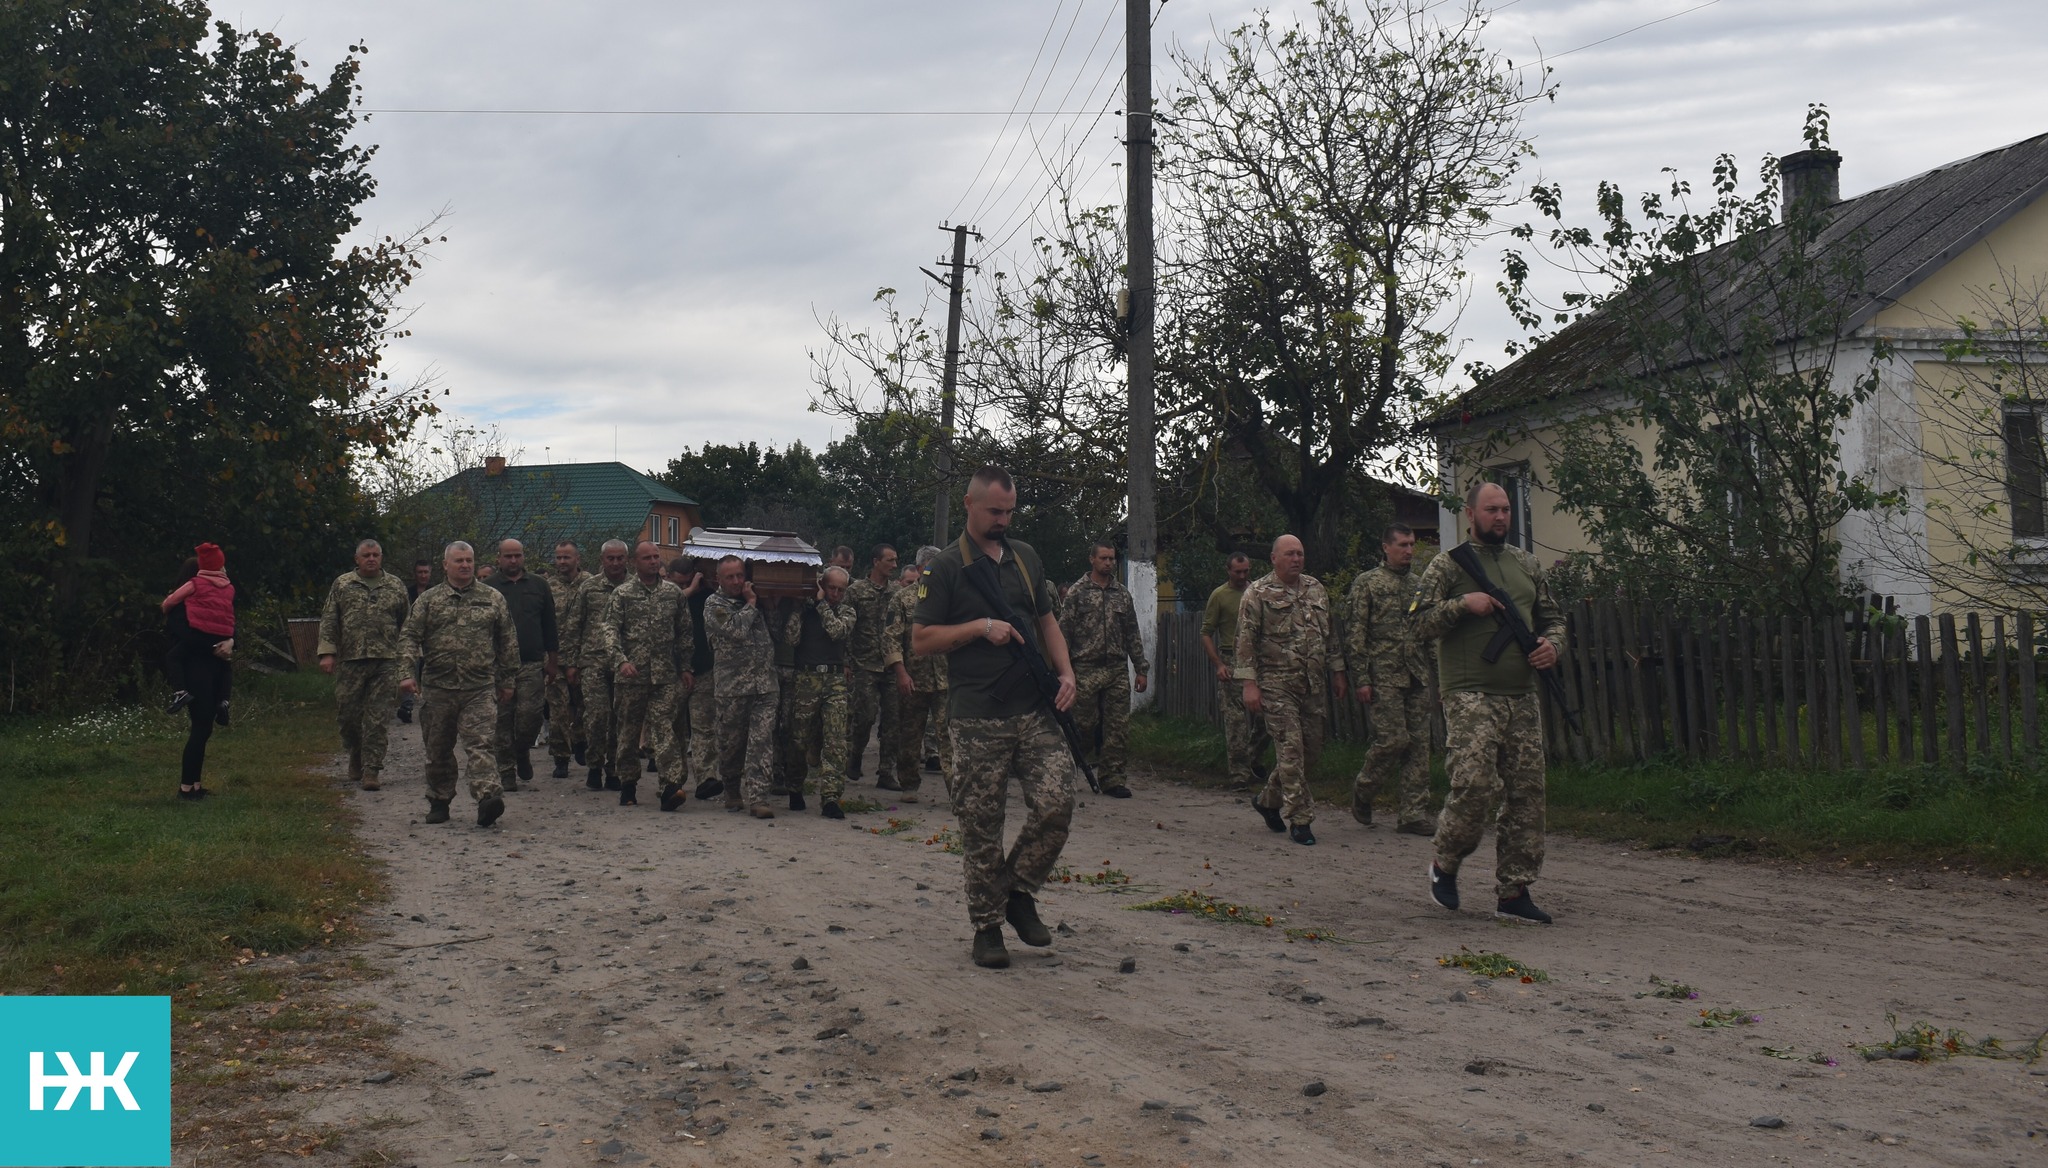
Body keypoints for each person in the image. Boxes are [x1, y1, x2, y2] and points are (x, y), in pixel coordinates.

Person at [913, 465, 1077, 970]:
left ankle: (1019, 893)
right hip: (976, 717)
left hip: (1032, 707)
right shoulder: (942, 568)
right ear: (969, 505)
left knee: (1057, 802)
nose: (1003, 520)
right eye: (994, 511)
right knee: (982, 827)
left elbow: (1047, 620)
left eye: (1009, 511)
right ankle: (986, 926)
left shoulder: (1025, 558)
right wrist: (979, 627)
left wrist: (1066, 673)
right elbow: (921, 642)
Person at [1411, 481, 1566, 925]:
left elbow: (1554, 619)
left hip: (1521, 694)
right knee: (1475, 785)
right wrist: (1462, 604)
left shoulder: (1527, 564)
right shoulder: (1447, 565)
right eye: (1491, 510)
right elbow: (1417, 624)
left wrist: (1553, 646)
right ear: (1471, 515)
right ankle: (1445, 862)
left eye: (1505, 510)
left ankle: (1514, 891)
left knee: (1527, 794)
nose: (1500, 517)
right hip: (1469, 692)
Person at [1235, 534, 1347, 847]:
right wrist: (1249, 684)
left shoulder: (1316, 589)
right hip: (1275, 684)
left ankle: (1269, 799)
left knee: (1310, 752)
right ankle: (1300, 818)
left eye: (1300, 553)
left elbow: (1331, 636)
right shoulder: (1256, 593)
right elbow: (1245, 641)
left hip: (1311, 684)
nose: (1296, 559)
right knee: (1291, 749)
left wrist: (1338, 671)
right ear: (1273, 558)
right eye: (1289, 554)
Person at [399, 541, 518, 827]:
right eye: (459, 561)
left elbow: (507, 641)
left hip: (478, 688)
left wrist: (507, 679)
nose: (465, 565)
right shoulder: (429, 600)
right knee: (438, 749)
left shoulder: (493, 598)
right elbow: (409, 637)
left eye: (469, 560)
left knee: (481, 744)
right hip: (439, 688)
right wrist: (405, 673)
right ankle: (439, 800)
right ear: (445, 565)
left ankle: (487, 798)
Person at [1347, 523, 1437, 833]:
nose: (1409, 550)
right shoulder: (1367, 583)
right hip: (1383, 675)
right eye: (1402, 545)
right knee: (1393, 741)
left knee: (1419, 746)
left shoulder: (1419, 585)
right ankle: (1364, 789)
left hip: (1417, 674)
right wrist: (1361, 677)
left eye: (1412, 545)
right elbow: (1356, 634)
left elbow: (1428, 631)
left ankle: (1413, 813)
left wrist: (1439, 674)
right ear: (1386, 547)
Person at [316, 539, 412, 791]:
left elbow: (407, 624)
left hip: (386, 661)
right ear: (357, 559)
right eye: (366, 555)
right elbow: (329, 619)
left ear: (382, 558)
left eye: (376, 555)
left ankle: (372, 769)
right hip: (351, 659)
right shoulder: (343, 584)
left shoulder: (395, 585)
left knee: (378, 717)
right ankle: (355, 753)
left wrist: (408, 660)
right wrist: (327, 652)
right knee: (348, 715)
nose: (372, 559)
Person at [1057, 540, 1148, 799]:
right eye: (1104, 558)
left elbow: (1132, 633)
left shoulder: (1122, 594)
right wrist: (1064, 672)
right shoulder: (1077, 593)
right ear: (1092, 560)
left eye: (1112, 559)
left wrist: (1141, 668)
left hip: (1116, 669)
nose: (1109, 563)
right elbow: (1063, 634)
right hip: (1084, 668)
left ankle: (1113, 779)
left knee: (1117, 727)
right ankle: (1065, 770)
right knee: (1082, 726)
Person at [605, 541, 693, 810]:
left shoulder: (673, 594)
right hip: (632, 676)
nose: (654, 562)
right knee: (628, 734)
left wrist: (686, 667)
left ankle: (670, 786)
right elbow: (609, 631)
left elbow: (685, 632)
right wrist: (620, 661)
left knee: (663, 727)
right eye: (648, 558)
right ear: (635, 561)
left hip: (665, 676)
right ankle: (628, 784)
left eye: (657, 557)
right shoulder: (622, 594)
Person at [704, 556, 779, 817]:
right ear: (719, 579)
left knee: (761, 743)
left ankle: (759, 797)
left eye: (739, 575)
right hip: (732, 688)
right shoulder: (714, 604)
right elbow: (735, 630)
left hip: (765, 686)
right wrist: (751, 604)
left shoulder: (755, 600)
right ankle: (732, 790)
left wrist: (768, 604)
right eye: (730, 577)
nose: (736, 581)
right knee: (731, 746)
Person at [162, 542, 235, 799]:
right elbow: (186, 636)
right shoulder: (182, 607)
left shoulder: (209, 603)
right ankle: (186, 787)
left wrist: (230, 641)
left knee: (204, 728)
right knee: (201, 726)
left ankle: (194, 784)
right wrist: (216, 645)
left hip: (214, 664)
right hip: (196, 668)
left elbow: (228, 626)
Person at [486, 539, 559, 792]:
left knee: (531, 716)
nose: (513, 560)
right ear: (499, 558)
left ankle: (521, 751)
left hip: (532, 662)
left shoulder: (539, 585)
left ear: (523, 557)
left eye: (517, 555)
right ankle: (506, 772)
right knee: (502, 721)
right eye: (508, 556)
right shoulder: (488, 588)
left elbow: (550, 624)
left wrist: (553, 660)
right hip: (499, 665)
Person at [785, 566, 856, 816]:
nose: (835, 593)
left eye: (840, 590)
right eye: (831, 588)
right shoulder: (804, 610)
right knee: (799, 738)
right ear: (821, 586)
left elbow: (837, 631)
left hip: (835, 679)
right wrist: (801, 608)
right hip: (807, 677)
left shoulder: (847, 611)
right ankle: (794, 787)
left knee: (835, 740)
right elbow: (791, 638)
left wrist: (821, 605)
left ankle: (831, 797)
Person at [565, 540, 630, 791]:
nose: (615, 563)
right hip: (592, 660)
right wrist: (570, 663)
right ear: (602, 560)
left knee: (619, 719)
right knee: (597, 715)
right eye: (610, 559)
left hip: (624, 662)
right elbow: (574, 625)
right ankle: (594, 763)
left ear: (627, 559)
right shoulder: (589, 587)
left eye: (619, 558)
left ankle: (613, 768)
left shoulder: (633, 587)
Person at [885, 551, 950, 801]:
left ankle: (955, 788)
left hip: (944, 678)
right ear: (921, 567)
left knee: (948, 735)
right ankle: (909, 784)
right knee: (911, 734)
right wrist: (900, 672)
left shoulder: (949, 598)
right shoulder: (903, 599)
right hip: (913, 678)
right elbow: (890, 637)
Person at [1200, 553, 1268, 791]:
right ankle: (1239, 773)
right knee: (1235, 719)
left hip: (1259, 661)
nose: (1242, 576)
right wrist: (1219, 663)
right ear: (1228, 571)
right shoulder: (1220, 596)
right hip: (1231, 657)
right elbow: (1206, 631)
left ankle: (1253, 757)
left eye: (1246, 571)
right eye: (1237, 571)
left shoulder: (1258, 592)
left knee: (1268, 716)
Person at [844, 544, 901, 786]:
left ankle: (886, 771)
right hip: (864, 663)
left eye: (896, 560)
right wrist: (846, 661)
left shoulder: (896, 592)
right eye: (890, 560)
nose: (894, 565)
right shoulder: (856, 591)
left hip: (891, 663)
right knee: (864, 716)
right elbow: (847, 627)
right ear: (876, 562)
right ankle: (855, 755)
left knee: (892, 719)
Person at [678, 558, 723, 801]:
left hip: (704, 668)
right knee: (675, 729)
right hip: (675, 670)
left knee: (704, 727)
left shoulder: (712, 598)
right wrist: (690, 590)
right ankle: (673, 779)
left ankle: (706, 778)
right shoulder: (673, 594)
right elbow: (663, 608)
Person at [544, 541, 590, 777]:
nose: (562, 562)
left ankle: (580, 739)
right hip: (556, 658)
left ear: (577, 559)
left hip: (586, 657)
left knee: (586, 706)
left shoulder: (591, 584)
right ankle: (561, 757)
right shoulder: (547, 587)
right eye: (559, 557)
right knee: (558, 710)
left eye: (567, 558)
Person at [399, 559, 434, 724]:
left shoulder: (436, 591)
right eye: (420, 572)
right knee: (410, 668)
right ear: (415, 574)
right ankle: (407, 706)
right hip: (412, 636)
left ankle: (430, 705)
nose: (423, 575)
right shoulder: (407, 592)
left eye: (426, 572)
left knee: (429, 672)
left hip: (432, 638)